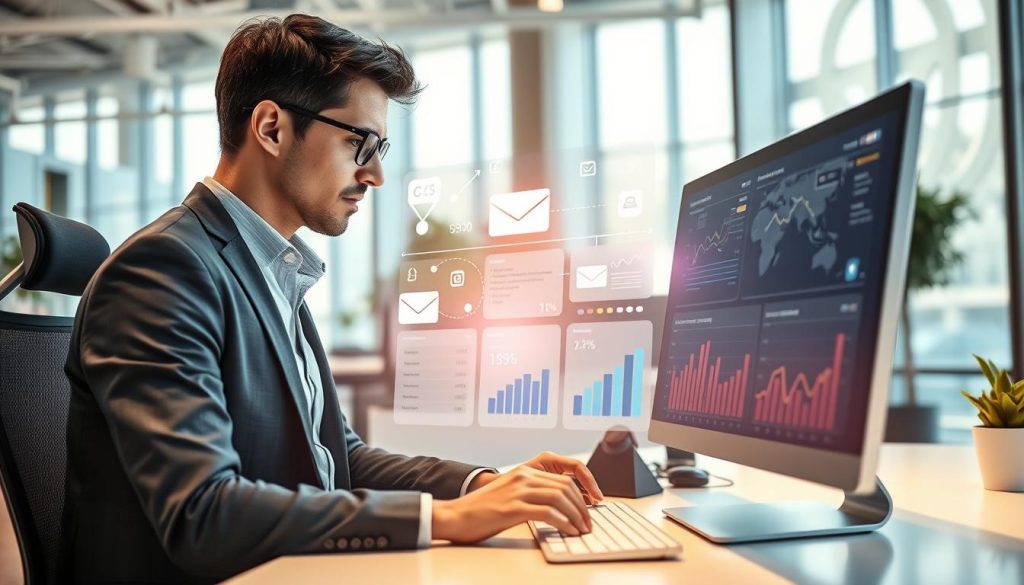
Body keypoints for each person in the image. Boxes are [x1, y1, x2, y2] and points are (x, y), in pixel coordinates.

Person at [60, 14, 603, 584]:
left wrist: (481, 485)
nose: (375, 175)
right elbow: (203, 513)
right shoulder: (162, 272)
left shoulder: (267, 266)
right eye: (358, 143)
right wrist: (444, 518)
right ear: (271, 128)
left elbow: (337, 457)